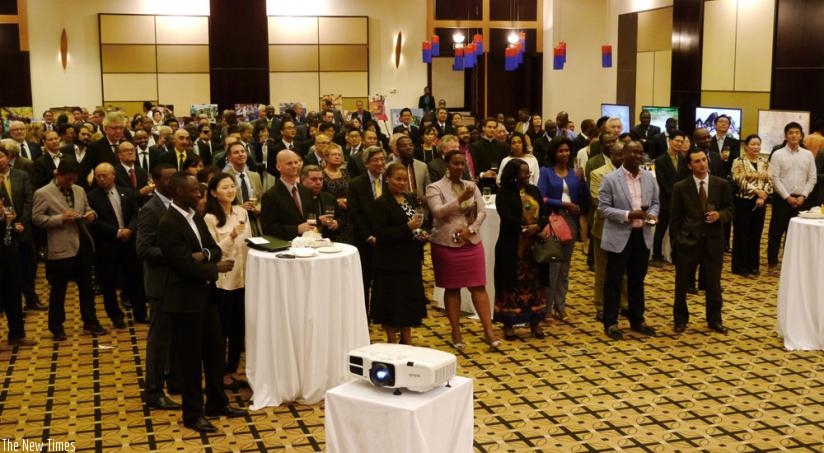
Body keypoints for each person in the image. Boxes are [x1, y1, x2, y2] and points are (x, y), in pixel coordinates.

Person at [157, 173, 244, 433]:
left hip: (206, 297)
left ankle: (217, 403)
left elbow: (214, 248)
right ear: (179, 193)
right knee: (190, 361)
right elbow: (182, 264)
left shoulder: (194, 216)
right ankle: (193, 415)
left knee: (215, 353)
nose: (200, 195)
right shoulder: (168, 222)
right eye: (195, 191)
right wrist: (213, 267)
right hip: (184, 301)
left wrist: (203, 255)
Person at [426, 150, 500, 350]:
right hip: (446, 244)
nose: (460, 167)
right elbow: (438, 212)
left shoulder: (471, 185)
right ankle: (455, 331)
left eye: (462, 164)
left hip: (471, 242)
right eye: (455, 163)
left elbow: (482, 211)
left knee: (478, 286)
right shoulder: (435, 187)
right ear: (447, 165)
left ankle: (488, 331)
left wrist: (472, 229)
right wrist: (459, 200)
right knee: (452, 288)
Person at [32, 159, 106, 340]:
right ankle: (56, 326)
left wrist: (91, 215)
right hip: (59, 246)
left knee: (86, 286)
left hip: (82, 244)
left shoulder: (79, 190)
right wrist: (60, 218)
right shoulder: (43, 193)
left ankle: (90, 321)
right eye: (68, 179)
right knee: (59, 289)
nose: (71, 183)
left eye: (74, 179)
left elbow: (89, 209)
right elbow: (36, 219)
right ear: (58, 174)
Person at [597, 140, 659, 340]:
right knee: (613, 281)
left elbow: (656, 203)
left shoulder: (649, 177)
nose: (639, 157)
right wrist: (627, 215)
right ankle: (611, 323)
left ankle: (637, 320)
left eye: (641, 153)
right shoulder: (610, 179)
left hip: (642, 236)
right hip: (619, 236)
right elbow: (603, 208)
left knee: (637, 280)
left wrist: (652, 215)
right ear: (623, 155)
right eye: (634, 153)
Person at [670, 148, 735, 334]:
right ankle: (680, 319)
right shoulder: (681, 187)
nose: (702, 164)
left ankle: (714, 319)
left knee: (714, 284)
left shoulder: (720, 184)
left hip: (713, 242)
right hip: (687, 242)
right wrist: (676, 242)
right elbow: (674, 218)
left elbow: (731, 209)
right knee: (682, 284)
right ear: (690, 165)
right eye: (697, 161)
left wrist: (720, 215)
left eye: (704, 159)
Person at [137, 163, 181, 410]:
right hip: (160, 284)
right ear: (155, 182)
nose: (173, 182)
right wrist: (175, 254)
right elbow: (143, 248)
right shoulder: (151, 209)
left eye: (176, 177)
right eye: (168, 178)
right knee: (159, 340)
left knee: (175, 338)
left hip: (177, 283)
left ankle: (174, 381)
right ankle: (153, 391)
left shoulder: (177, 205)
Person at [370, 163, 429, 344]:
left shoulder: (410, 198)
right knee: (391, 301)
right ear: (388, 179)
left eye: (404, 179)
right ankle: (391, 340)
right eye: (398, 179)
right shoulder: (381, 203)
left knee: (408, 301)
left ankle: (407, 338)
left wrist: (422, 233)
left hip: (410, 258)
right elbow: (381, 233)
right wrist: (406, 228)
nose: (402, 183)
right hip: (390, 261)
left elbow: (418, 222)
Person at [204, 172, 252, 391]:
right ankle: (220, 372)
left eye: (232, 186)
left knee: (239, 329)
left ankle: (233, 369)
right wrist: (231, 236)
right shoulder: (210, 218)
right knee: (222, 329)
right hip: (223, 281)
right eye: (225, 187)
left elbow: (249, 243)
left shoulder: (242, 212)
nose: (231, 190)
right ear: (214, 192)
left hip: (244, 277)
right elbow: (213, 252)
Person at [493, 158, 548, 340]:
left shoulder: (534, 190)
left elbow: (545, 214)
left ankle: (535, 322)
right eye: (524, 172)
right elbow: (507, 218)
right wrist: (526, 227)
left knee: (535, 284)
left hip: (533, 247)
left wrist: (538, 226)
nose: (528, 175)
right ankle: (508, 324)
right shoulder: (504, 193)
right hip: (512, 246)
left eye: (528, 172)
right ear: (514, 176)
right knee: (510, 285)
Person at [87, 163, 146, 327]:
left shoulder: (127, 192)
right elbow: (95, 222)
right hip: (108, 245)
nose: (101, 179)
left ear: (113, 175)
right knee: (109, 283)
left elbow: (136, 214)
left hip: (129, 242)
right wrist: (117, 232)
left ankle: (140, 313)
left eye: (104, 175)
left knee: (135, 279)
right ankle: (116, 316)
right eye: (98, 176)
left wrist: (130, 229)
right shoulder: (91, 196)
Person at [537, 136, 585, 320]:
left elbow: (581, 197)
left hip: (571, 222)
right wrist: (564, 204)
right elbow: (542, 198)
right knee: (553, 265)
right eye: (561, 151)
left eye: (567, 151)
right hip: (553, 221)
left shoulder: (574, 173)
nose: (564, 154)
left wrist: (583, 181)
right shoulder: (546, 172)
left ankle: (561, 305)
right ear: (554, 153)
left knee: (565, 266)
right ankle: (546, 308)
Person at [767, 122, 816, 274]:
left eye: (797, 133)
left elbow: (812, 178)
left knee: (796, 232)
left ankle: (791, 263)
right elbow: (774, 178)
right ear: (786, 136)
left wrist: (804, 196)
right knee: (776, 231)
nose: (794, 135)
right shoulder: (778, 154)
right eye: (790, 133)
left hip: (801, 199)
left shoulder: (807, 155)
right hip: (782, 199)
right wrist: (787, 197)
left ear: (801, 136)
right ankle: (772, 263)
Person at [0, 147, 37, 347]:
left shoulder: (13, 179)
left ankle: (16, 334)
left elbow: (7, 208)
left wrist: (11, 221)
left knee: (13, 291)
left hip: (8, 245)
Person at [348, 146, 386, 314]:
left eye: (382, 159)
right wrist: (368, 236)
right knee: (364, 280)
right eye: (375, 160)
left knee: (385, 280)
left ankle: (381, 314)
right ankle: (363, 316)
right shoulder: (356, 184)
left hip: (387, 240)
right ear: (366, 163)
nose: (380, 163)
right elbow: (354, 213)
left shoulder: (390, 180)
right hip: (365, 240)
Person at [730, 135, 772, 276]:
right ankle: (740, 266)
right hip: (743, 201)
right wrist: (756, 191)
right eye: (753, 144)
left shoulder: (763, 162)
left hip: (760, 203)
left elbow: (769, 180)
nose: (756, 147)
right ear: (746, 146)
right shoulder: (738, 161)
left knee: (756, 234)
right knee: (742, 233)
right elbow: (739, 179)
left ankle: (753, 265)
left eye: (758, 144)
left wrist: (763, 195)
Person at [320, 145, 352, 243]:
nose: (337, 157)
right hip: (330, 212)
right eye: (334, 154)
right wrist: (337, 201)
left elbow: (351, 190)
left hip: (346, 211)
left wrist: (347, 201)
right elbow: (321, 194)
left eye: (339, 155)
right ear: (326, 157)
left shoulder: (345, 172)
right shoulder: (321, 174)